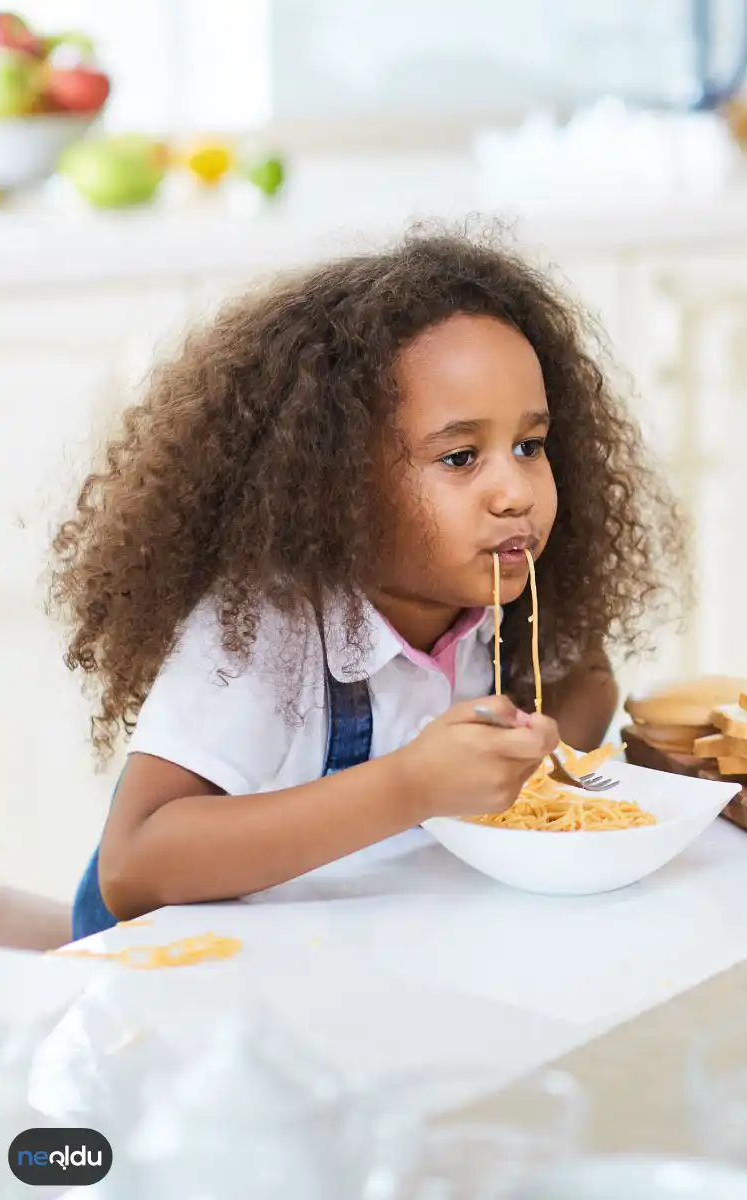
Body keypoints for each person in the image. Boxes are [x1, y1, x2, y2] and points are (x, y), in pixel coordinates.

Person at [50, 231, 685, 939]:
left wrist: (529, 757)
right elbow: (135, 864)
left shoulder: (511, 585)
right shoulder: (268, 626)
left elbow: (588, 680)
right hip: (170, 981)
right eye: (460, 457)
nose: (515, 492)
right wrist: (413, 787)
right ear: (337, 489)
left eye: (530, 447)